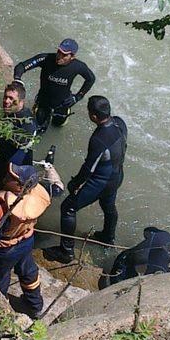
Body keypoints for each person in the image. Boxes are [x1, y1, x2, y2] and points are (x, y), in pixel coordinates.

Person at [43, 95, 127, 264]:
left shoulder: (99, 138)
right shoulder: (119, 123)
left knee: (68, 208)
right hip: (117, 176)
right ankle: (107, 238)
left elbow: (90, 166)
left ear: (94, 116)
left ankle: (66, 251)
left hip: (101, 182)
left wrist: (75, 183)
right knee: (108, 205)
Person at [0, 164, 51, 319]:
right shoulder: (35, 196)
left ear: (19, 186)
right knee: (28, 272)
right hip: (26, 240)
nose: (5, 178)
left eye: (11, 178)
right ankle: (35, 306)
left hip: (5, 250)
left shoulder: (4, 206)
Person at [13, 38, 95, 133]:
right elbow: (21, 67)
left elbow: (91, 79)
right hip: (43, 102)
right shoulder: (46, 59)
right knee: (38, 130)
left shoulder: (78, 66)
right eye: (59, 51)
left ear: (72, 57)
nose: (59, 56)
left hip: (63, 104)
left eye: (64, 54)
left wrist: (78, 97)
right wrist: (17, 79)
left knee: (58, 126)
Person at [103, 227, 170, 287]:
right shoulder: (162, 270)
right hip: (118, 277)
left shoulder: (166, 236)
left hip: (122, 257)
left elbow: (147, 230)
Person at [0, 82, 37, 183]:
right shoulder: (10, 113)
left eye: (11, 98)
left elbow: (23, 142)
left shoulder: (27, 120)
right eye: (5, 97)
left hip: (17, 173)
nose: (6, 101)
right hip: (4, 164)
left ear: (21, 102)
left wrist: (1, 129)